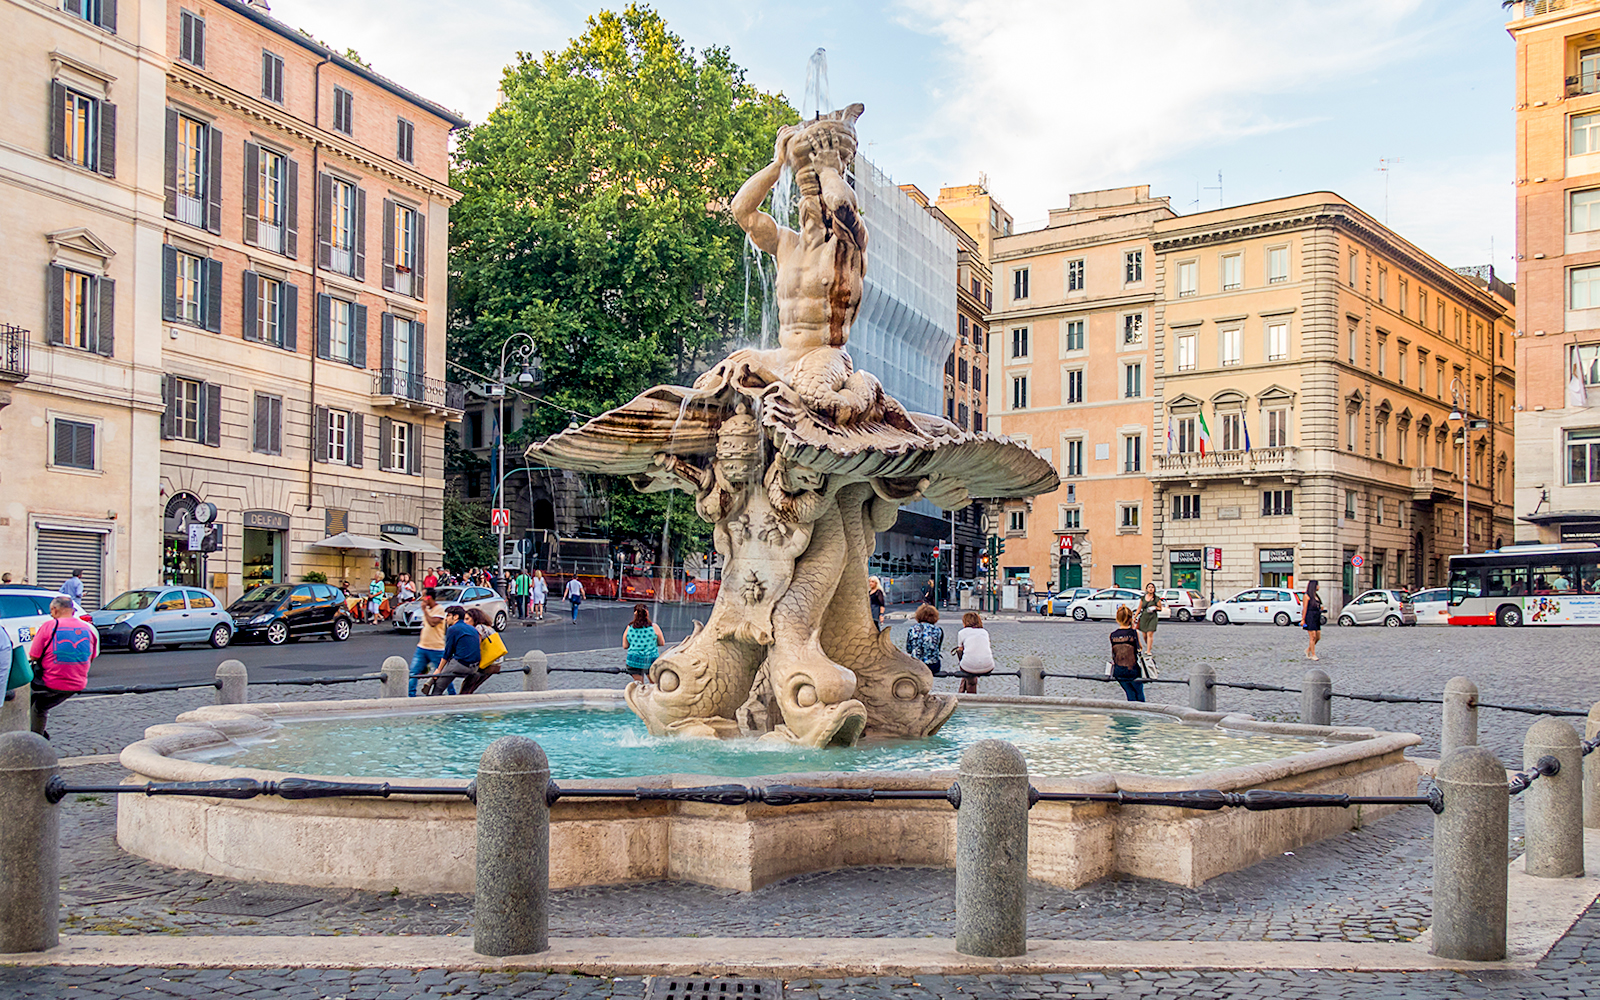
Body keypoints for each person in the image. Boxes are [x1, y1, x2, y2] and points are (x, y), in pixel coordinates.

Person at [27, 595, 97, 738]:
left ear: (54, 609)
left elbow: (34, 655)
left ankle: (36, 740)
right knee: (41, 703)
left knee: (37, 706)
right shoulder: (88, 629)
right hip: (78, 683)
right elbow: (92, 655)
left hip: (50, 682)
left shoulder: (49, 626)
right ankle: (38, 733)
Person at [427, 606, 482, 696]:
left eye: (448, 616)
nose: (446, 619)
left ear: (455, 617)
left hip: (461, 665)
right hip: (475, 666)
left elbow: (447, 652)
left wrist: (438, 669)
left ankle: (433, 696)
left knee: (439, 684)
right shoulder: (472, 629)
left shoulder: (453, 629)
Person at [408, 588, 449, 697]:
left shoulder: (439, 609)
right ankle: (410, 695)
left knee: (443, 674)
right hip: (422, 647)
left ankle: (452, 694)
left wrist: (425, 611)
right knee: (413, 672)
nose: (421, 599)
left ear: (429, 597)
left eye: (423, 596)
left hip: (437, 648)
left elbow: (432, 623)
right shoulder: (427, 609)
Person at [458, 607, 504, 695]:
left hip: (487, 664)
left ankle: (462, 702)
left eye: (467, 619)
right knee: (473, 685)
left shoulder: (478, 628)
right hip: (496, 663)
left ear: (475, 618)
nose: (465, 622)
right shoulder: (489, 627)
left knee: (468, 684)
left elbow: (476, 646)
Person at [1109, 606, 1144, 703]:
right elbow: (1139, 648)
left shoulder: (1112, 635)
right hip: (1133, 670)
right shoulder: (1133, 633)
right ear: (1130, 618)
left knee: (1129, 692)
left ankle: (1132, 712)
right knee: (1139, 693)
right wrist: (1133, 629)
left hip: (1119, 670)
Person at [622, 603, 665, 683]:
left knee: (639, 685)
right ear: (647, 614)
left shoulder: (630, 627)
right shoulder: (654, 627)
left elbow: (625, 646)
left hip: (634, 660)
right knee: (654, 684)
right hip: (650, 660)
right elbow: (662, 643)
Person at [952, 611, 994, 694]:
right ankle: (962, 691)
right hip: (988, 665)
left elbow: (960, 650)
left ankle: (966, 694)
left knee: (968, 668)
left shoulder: (962, 633)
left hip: (968, 666)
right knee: (969, 668)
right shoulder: (984, 632)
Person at [904, 604, 944, 678]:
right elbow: (937, 649)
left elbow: (909, 649)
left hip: (916, 665)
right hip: (932, 665)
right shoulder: (938, 630)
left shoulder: (912, 629)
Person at [1136, 583, 1163, 662]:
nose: (1151, 589)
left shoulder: (1156, 599)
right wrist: (1134, 617)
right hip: (1144, 617)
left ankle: (1148, 650)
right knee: (1144, 634)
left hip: (1152, 617)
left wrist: (1155, 607)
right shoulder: (1143, 598)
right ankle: (1148, 646)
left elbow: (1160, 608)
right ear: (1146, 589)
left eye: (1152, 587)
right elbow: (1139, 608)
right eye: (1149, 587)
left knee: (1149, 633)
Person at [1302, 579, 1324, 661]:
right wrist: (1303, 619)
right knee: (1313, 636)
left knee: (1318, 636)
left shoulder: (1316, 596)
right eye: (1317, 585)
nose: (1319, 587)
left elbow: (1319, 605)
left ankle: (1308, 650)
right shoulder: (1307, 596)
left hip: (1316, 616)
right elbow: (1304, 609)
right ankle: (1313, 654)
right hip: (1310, 616)